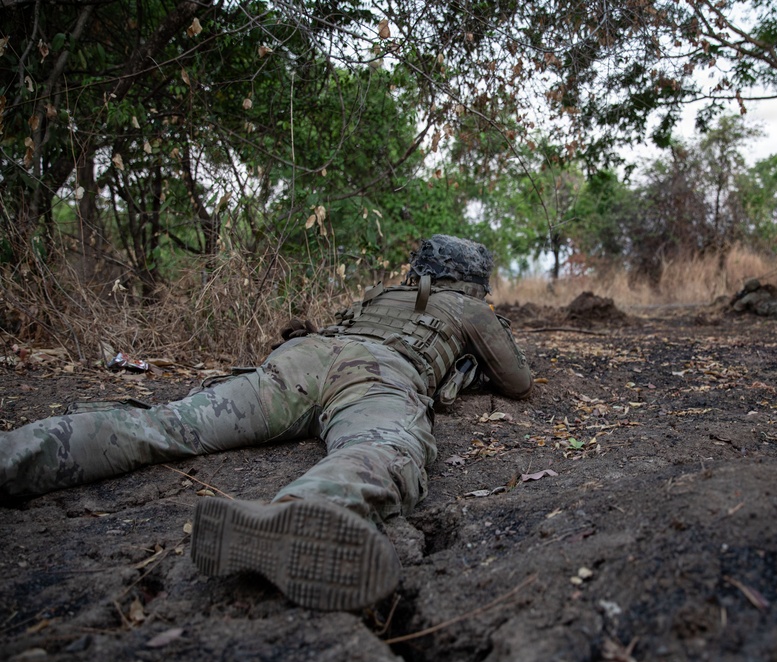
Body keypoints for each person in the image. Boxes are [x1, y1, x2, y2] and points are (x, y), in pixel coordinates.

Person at [0, 235, 533, 611]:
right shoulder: (469, 309)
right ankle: (306, 512)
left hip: (297, 362)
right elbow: (517, 383)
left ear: (419, 267)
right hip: (376, 375)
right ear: (472, 280)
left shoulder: (379, 295)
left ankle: (16, 455)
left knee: (168, 422)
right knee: (381, 444)